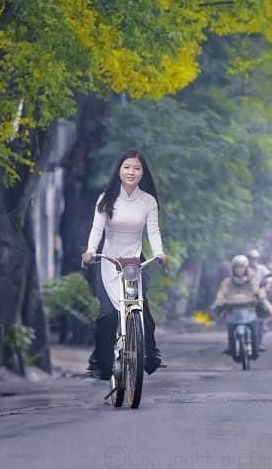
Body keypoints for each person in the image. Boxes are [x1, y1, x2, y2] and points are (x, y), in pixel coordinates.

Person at [82, 150, 168, 380]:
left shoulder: (148, 201)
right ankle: (100, 363)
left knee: (142, 308)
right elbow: (97, 229)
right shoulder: (106, 199)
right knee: (108, 315)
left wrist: (159, 253)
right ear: (119, 170)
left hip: (134, 262)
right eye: (127, 167)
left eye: (137, 168)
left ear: (143, 173)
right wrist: (90, 251)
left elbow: (153, 231)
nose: (132, 172)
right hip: (108, 260)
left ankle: (150, 355)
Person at [212, 255, 266, 359]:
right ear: (233, 269)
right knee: (230, 330)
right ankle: (230, 347)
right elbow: (221, 293)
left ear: (246, 268)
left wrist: (261, 296)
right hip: (233, 312)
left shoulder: (252, 281)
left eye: (241, 267)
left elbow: (258, 291)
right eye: (237, 267)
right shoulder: (227, 282)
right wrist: (220, 301)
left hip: (249, 311)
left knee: (256, 329)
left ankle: (257, 346)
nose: (239, 270)